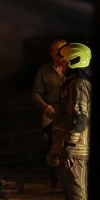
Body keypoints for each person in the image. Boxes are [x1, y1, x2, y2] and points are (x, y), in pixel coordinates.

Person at [49, 42, 92, 200]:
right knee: (72, 190)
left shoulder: (79, 84)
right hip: (72, 148)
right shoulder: (73, 83)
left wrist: (70, 147)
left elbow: (80, 117)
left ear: (74, 61)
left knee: (77, 191)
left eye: (64, 61)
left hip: (76, 150)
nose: (61, 64)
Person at [31, 38, 69, 187]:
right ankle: (55, 180)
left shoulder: (73, 68)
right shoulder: (45, 71)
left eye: (63, 50)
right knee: (52, 148)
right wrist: (44, 106)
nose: (60, 53)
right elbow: (36, 93)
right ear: (52, 53)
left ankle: (71, 178)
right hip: (51, 115)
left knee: (70, 146)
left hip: (69, 115)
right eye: (57, 50)